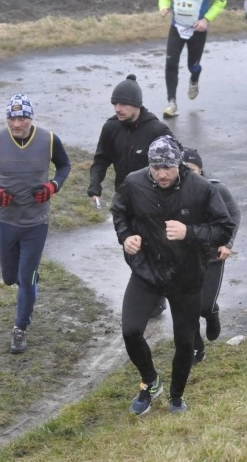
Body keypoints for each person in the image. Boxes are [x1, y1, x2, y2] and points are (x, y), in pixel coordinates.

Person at [111, 135, 234, 414]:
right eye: (156, 168)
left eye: (168, 167)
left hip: (187, 274)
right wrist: (126, 236)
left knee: (185, 341)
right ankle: (150, 382)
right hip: (147, 270)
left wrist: (189, 232)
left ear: (178, 164)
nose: (162, 174)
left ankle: (176, 397)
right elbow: (119, 212)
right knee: (130, 330)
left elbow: (224, 228)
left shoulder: (201, 188)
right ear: (149, 166)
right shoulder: (134, 182)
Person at [0, 94, 71, 354]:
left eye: (22, 118)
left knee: (25, 279)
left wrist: (53, 186)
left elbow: (64, 166)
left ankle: (20, 329)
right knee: (10, 278)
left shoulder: (49, 140)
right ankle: (28, 280)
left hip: (36, 222)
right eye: (12, 118)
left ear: (31, 118)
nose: (17, 124)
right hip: (6, 221)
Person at [87, 73, 173, 318]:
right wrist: (95, 186)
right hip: (124, 201)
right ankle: (151, 289)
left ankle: (154, 296)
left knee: (153, 249)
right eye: (115, 104)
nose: (118, 108)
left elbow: (176, 165)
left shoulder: (157, 129)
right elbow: (101, 159)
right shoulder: (111, 127)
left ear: (136, 104)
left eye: (123, 104)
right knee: (130, 248)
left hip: (155, 202)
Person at [181, 148, 241, 365]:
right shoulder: (172, 191)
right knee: (188, 307)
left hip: (212, 255)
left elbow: (234, 214)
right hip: (184, 257)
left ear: (201, 169)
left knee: (203, 306)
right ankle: (197, 347)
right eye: (183, 169)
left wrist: (228, 243)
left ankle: (212, 313)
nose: (188, 174)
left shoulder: (216, 188)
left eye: (192, 170)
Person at [158, 0, 227, 118]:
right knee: (171, 64)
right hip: (177, 28)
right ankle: (171, 103)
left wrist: (206, 19)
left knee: (192, 65)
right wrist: (164, 6)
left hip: (197, 31)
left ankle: (194, 78)